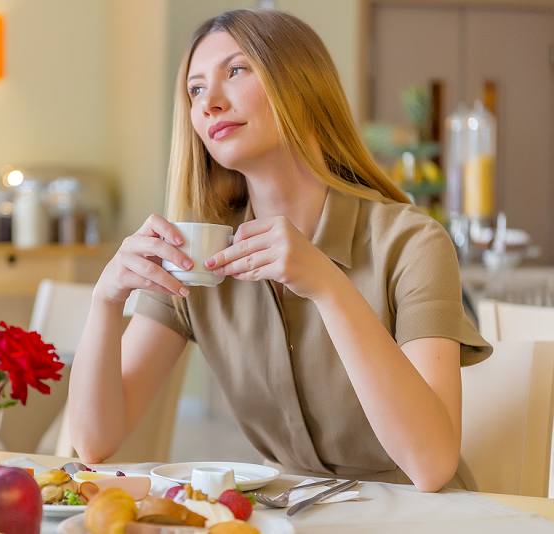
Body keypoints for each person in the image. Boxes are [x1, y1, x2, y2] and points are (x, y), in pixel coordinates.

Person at [68, 9, 490, 492]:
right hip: (292, 515)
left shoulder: (411, 243)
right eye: (196, 89)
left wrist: (329, 287)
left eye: (236, 70)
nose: (210, 103)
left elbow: (432, 465)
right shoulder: (198, 255)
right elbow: (93, 442)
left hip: (419, 517)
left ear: (301, 85)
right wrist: (106, 301)